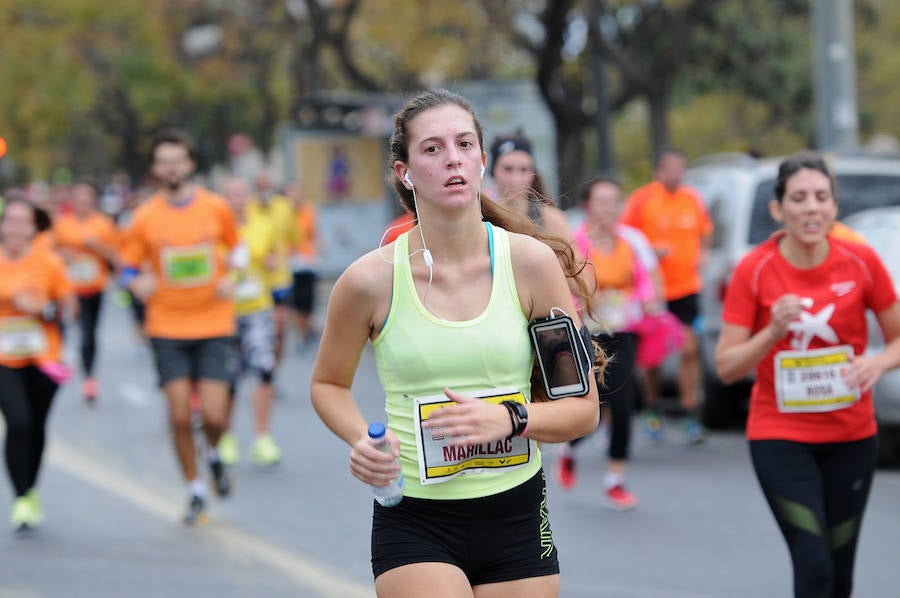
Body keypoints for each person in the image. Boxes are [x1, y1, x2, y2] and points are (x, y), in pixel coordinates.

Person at [310, 89, 601, 597]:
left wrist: (512, 417)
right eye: (432, 149)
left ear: (482, 161)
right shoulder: (368, 281)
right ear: (404, 172)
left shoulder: (530, 264)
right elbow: (328, 383)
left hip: (516, 514)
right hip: (416, 519)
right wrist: (363, 439)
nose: (452, 159)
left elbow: (582, 408)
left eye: (465, 144)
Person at [716, 151, 900, 598]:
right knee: (813, 563)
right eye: (799, 198)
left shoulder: (860, 261)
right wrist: (772, 331)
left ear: (834, 206)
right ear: (778, 209)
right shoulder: (755, 269)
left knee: (839, 575)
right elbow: (726, 366)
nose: (812, 207)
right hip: (780, 437)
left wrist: (875, 363)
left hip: (852, 437)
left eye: (821, 197)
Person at [118, 129, 240, 525]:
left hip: (213, 321)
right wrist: (136, 283)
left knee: (215, 415)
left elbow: (238, 247)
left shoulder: (215, 207)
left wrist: (234, 275)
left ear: (189, 164)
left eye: (177, 160)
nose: (171, 167)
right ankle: (195, 489)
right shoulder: (144, 218)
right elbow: (127, 268)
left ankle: (215, 453)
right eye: (163, 161)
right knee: (177, 416)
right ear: (155, 169)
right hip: (167, 325)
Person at [555, 177, 662, 510]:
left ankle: (615, 480)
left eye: (614, 201)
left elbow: (645, 280)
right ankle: (570, 446)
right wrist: (588, 299)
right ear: (588, 205)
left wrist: (647, 300)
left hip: (623, 329)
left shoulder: (631, 241)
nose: (609, 208)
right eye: (602, 201)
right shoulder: (577, 242)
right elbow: (563, 283)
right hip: (589, 332)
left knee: (623, 403)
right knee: (595, 406)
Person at [621, 148, 713, 444]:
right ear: (659, 171)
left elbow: (705, 231)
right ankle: (653, 408)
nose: (675, 173)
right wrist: (650, 253)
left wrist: (705, 254)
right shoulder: (643, 200)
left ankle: (690, 413)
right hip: (653, 291)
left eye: (679, 168)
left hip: (687, 288)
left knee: (689, 349)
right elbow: (625, 238)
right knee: (653, 356)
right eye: (669, 168)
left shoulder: (692, 199)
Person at [0, 197, 76, 531]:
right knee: (18, 422)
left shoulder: (50, 263)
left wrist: (39, 309)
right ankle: (20, 497)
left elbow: (69, 310)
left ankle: (30, 488)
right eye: (10, 221)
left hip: (44, 359)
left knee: (36, 426)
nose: (16, 228)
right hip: (3, 359)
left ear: (34, 228)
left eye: (23, 222)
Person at [217, 177, 281, 467]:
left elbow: (276, 257)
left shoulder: (263, 225)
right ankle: (226, 437)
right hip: (224, 313)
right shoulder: (216, 230)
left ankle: (262, 437)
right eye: (232, 194)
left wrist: (272, 263)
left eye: (242, 193)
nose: (238, 198)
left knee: (264, 371)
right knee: (228, 378)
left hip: (258, 308)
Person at [52, 181, 119, 403]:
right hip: (68, 288)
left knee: (89, 332)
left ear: (93, 201)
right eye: (78, 199)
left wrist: (96, 246)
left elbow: (116, 255)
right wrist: (64, 255)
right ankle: (57, 360)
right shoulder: (62, 224)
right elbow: (50, 252)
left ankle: (89, 376)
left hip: (94, 287)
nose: (82, 203)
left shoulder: (103, 224)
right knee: (64, 325)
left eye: (86, 199)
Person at [250, 171, 298, 368]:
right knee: (257, 327)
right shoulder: (247, 207)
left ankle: (272, 370)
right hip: (254, 279)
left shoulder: (284, 206)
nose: (264, 189)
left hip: (278, 277)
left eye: (266, 184)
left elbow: (295, 237)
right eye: (260, 185)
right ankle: (258, 367)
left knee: (278, 327)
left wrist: (282, 254)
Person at [488, 131, 572, 242]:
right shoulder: (483, 217)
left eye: (524, 169)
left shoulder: (551, 219)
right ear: (493, 171)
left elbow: (574, 258)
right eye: (508, 169)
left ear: (533, 173)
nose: (515, 179)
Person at [285, 180, 320, 350]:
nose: (293, 197)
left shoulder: (308, 211)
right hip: (291, 263)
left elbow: (313, 234)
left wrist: (317, 249)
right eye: (290, 194)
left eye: (296, 193)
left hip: (308, 262)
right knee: (298, 302)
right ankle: (303, 334)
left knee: (309, 301)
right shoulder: (284, 215)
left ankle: (307, 329)